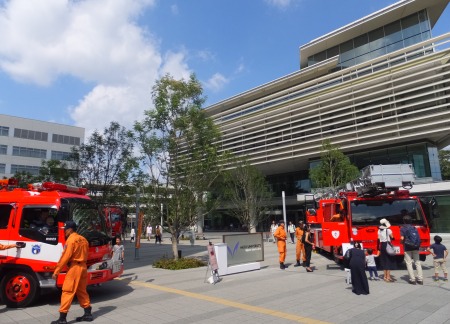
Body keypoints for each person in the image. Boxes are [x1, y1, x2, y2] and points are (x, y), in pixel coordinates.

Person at [51, 221, 93, 324]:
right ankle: (88, 314)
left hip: (74, 268)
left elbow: (65, 257)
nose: (64, 231)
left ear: (70, 229)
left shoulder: (71, 240)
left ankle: (62, 318)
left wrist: (56, 271)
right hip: (83, 267)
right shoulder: (84, 239)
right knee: (82, 291)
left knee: (67, 291)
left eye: (65, 229)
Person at [400, 215, 423, 285]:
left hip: (407, 247)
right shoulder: (414, 228)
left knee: (409, 263)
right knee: (417, 263)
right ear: (410, 221)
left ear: (404, 221)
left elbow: (402, 238)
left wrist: (401, 243)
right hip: (416, 247)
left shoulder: (403, 228)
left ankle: (412, 279)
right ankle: (420, 279)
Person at [378, 218, 396, 282]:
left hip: (382, 246)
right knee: (388, 261)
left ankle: (385, 276)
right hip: (387, 245)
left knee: (384, 261)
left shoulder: (379, 230)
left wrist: (378, 249)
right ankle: (388, 277)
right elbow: (392, 237)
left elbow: (378, 239)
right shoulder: (388, 230)